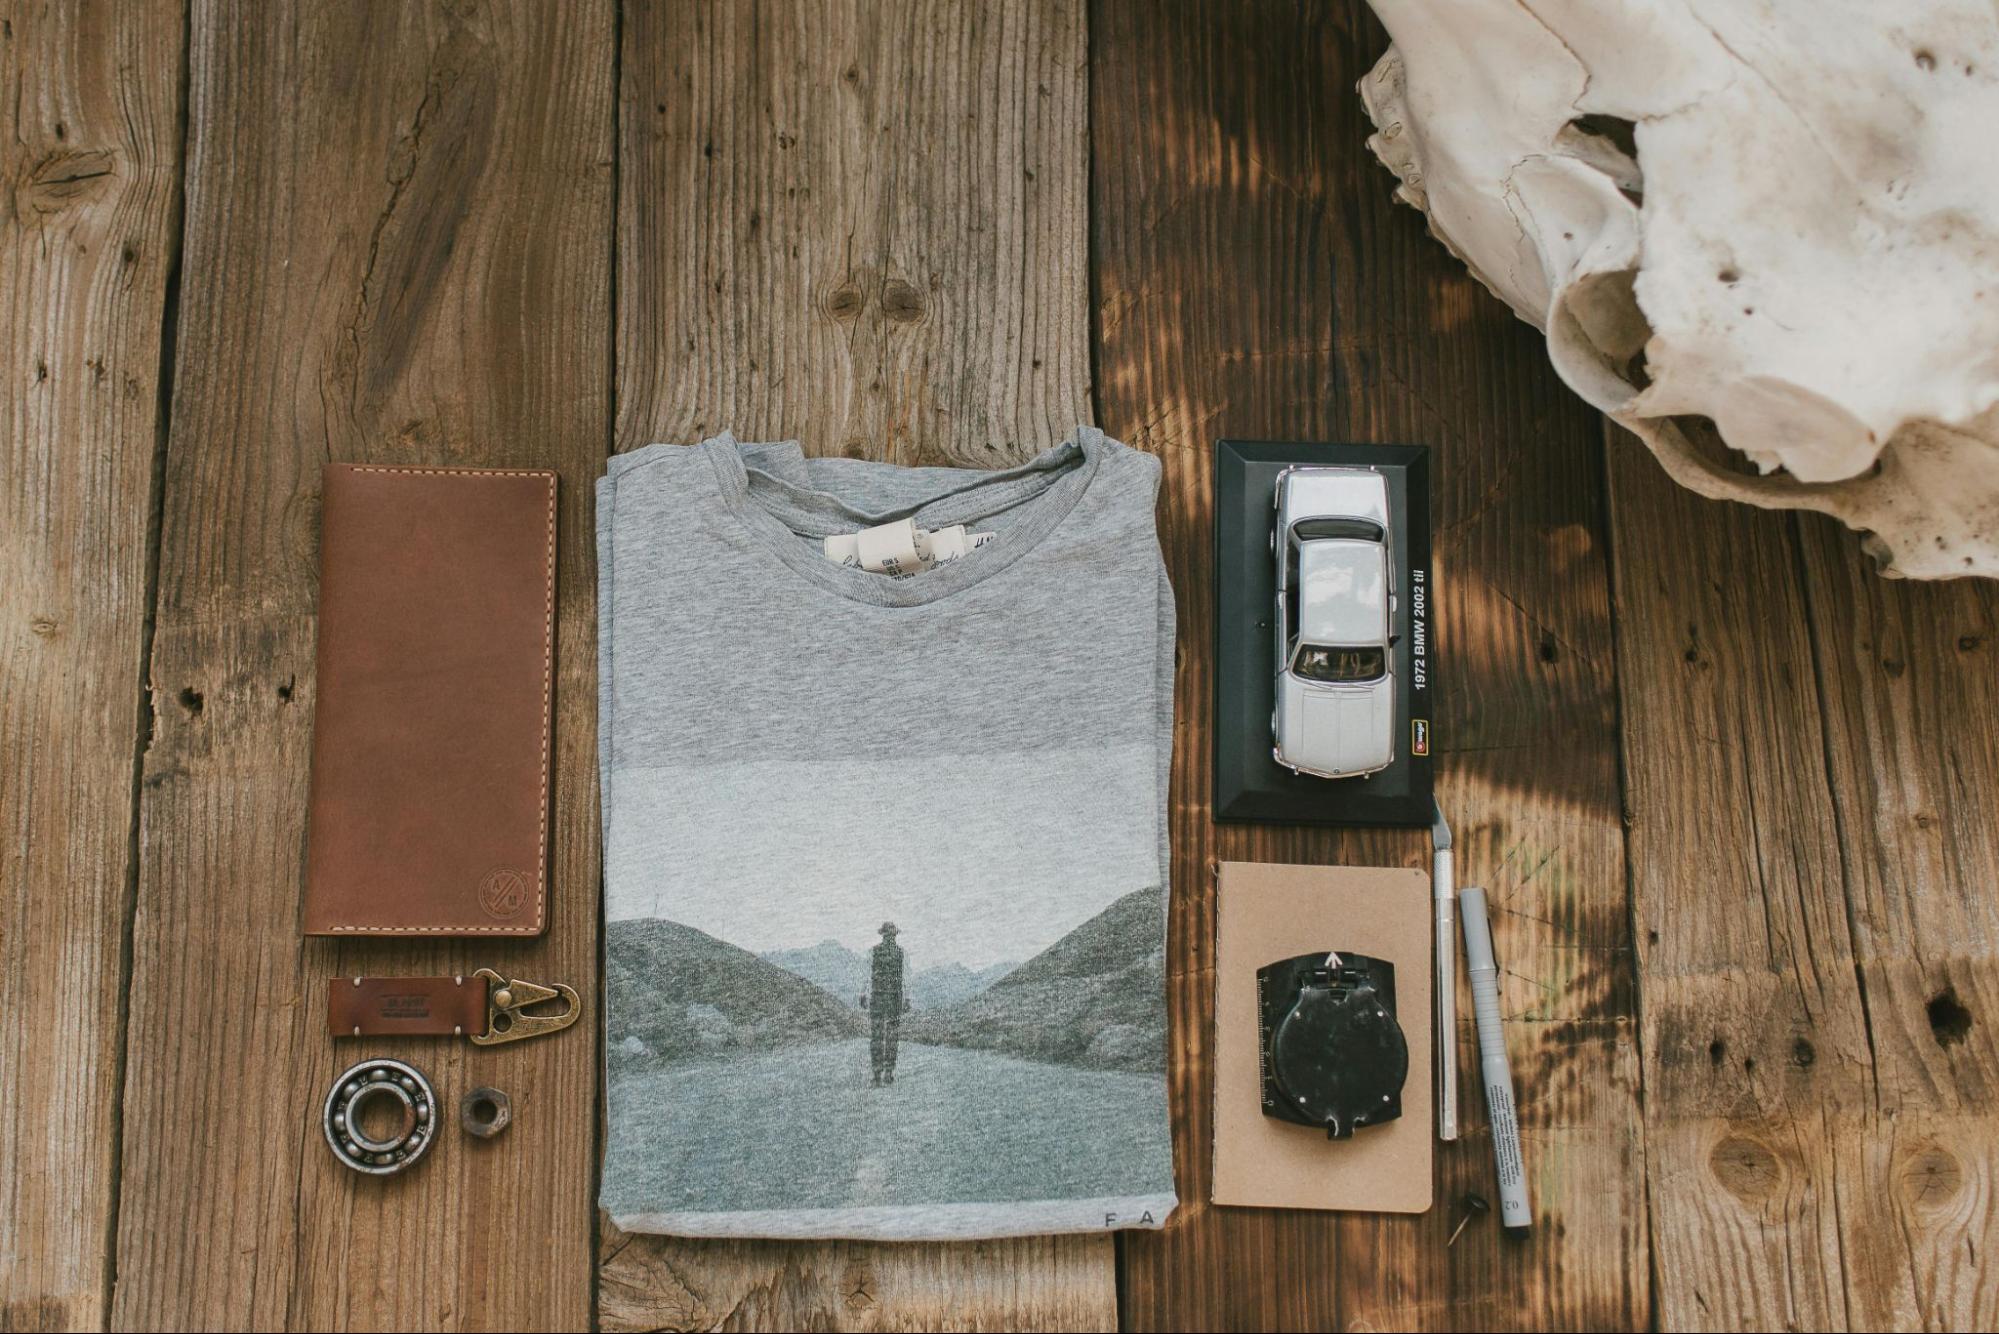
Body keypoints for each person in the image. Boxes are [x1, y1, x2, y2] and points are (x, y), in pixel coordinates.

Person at [858, 921, 910, 1086]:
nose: (890, 938)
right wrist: (863, 994)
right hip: (888, 997)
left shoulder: (876, 952)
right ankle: (883, 1072)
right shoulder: (899, 953)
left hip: (884, 998)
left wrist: (863, 994)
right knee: (886, 1036)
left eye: (891, 935)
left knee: (882, 1036)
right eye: (889, 935)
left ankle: (882, 1073)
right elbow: (868, 975)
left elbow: (906, 978)